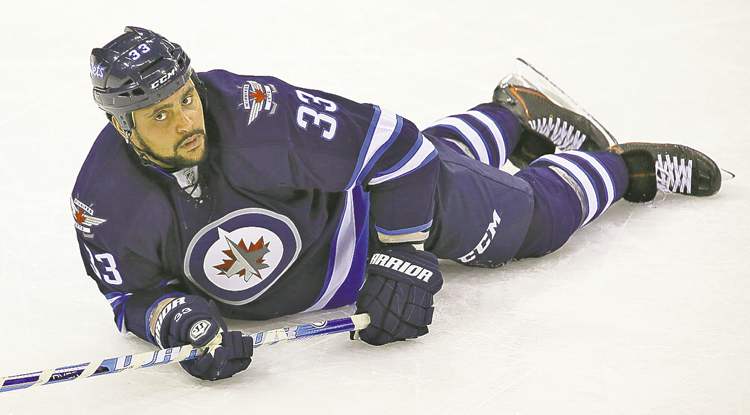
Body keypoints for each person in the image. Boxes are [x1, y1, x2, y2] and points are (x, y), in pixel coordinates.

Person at [75, 27, 722, 381]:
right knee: (451, 156)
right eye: (160, 114)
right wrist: (177, 319)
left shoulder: (258, 114)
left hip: (372, 211)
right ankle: (513, 113)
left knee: (531, 221)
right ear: (121, 126)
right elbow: (129, 296)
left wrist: (399, 253)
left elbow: (398, 149)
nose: (187, 119)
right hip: (341, 236)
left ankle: (624, 166)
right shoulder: (101, 202)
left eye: (186, 97)